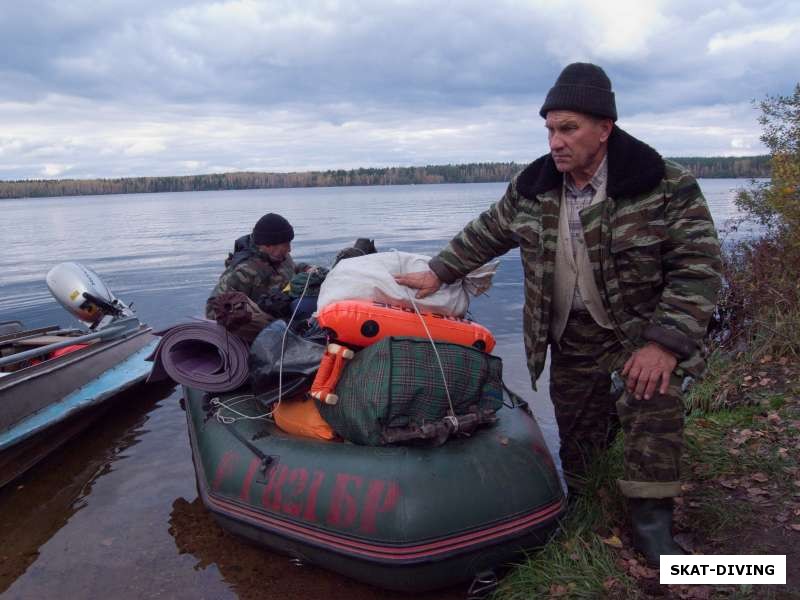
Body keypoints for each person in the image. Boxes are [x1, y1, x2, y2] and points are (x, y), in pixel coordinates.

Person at [395, 62, 722, 566]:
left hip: (642, 330)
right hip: (572, 333)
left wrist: (662, 346)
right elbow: (488, 231)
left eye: (568, 128)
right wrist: (438, 272)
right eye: (549, 128)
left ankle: (652, 527)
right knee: (577, 430)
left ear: (604, 128)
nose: (556, 141)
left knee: (653, 405)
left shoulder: (663, 185)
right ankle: (588, 506)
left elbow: (698, 269)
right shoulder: (535, 187)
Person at [206, 213, 311, 341]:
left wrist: (306, 269)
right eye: (286, 244)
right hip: (264, 331)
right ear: (268, 245)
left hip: (289, 315)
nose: (289, 249)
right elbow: (212, 310)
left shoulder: (282, 257)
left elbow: (292, 269)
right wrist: (256, 315)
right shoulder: (243, 271)